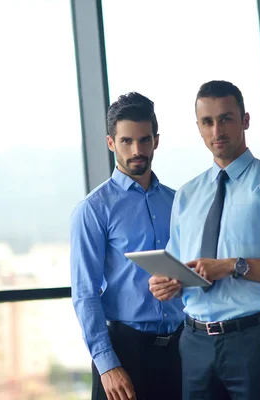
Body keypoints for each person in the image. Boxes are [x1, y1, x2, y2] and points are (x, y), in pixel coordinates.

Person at [148, 80, 260, 400]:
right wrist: (164, 283)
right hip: (195, 343)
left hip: (254, 342)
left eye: (226, 118)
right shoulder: (187, 195)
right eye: (207, 122)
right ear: (198, 127)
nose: (217, 130)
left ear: (245, 120)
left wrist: (230, 266)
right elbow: (177, 264)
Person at [70, 92, 185, 400]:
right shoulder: (93, 209)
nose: (137, 150)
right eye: (127, 141)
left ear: (156, 141)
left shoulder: (179, 203)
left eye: (145, 140)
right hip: (125, 352)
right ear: (111, 143)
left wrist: (182, 282)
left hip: (180, 351)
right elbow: (84, 292)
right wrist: (107, 365)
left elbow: (192, 270)